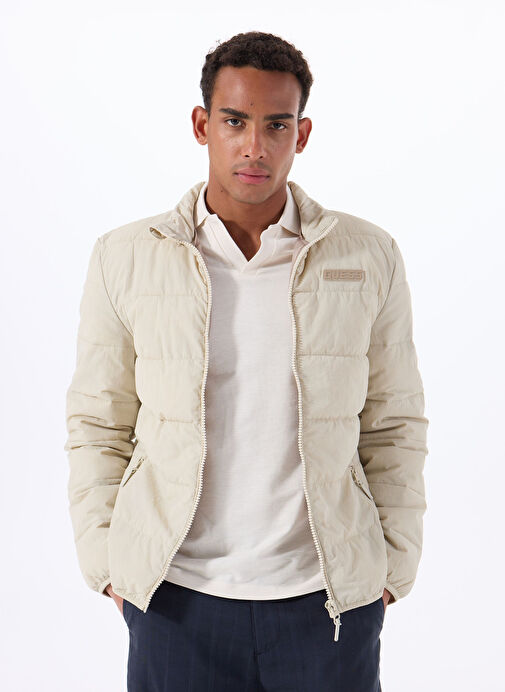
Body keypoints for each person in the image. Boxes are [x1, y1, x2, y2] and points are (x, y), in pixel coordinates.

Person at [64, 30, 429, 692]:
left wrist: (390, 571)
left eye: (276, 125)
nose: (254, 147)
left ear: (302, 133)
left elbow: (393, 422)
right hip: (174, 599)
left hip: (327, 602)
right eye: (234, 121)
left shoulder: (366, 255)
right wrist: (110, 566)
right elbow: (98, 422)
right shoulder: (126, 257)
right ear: (201, 125)